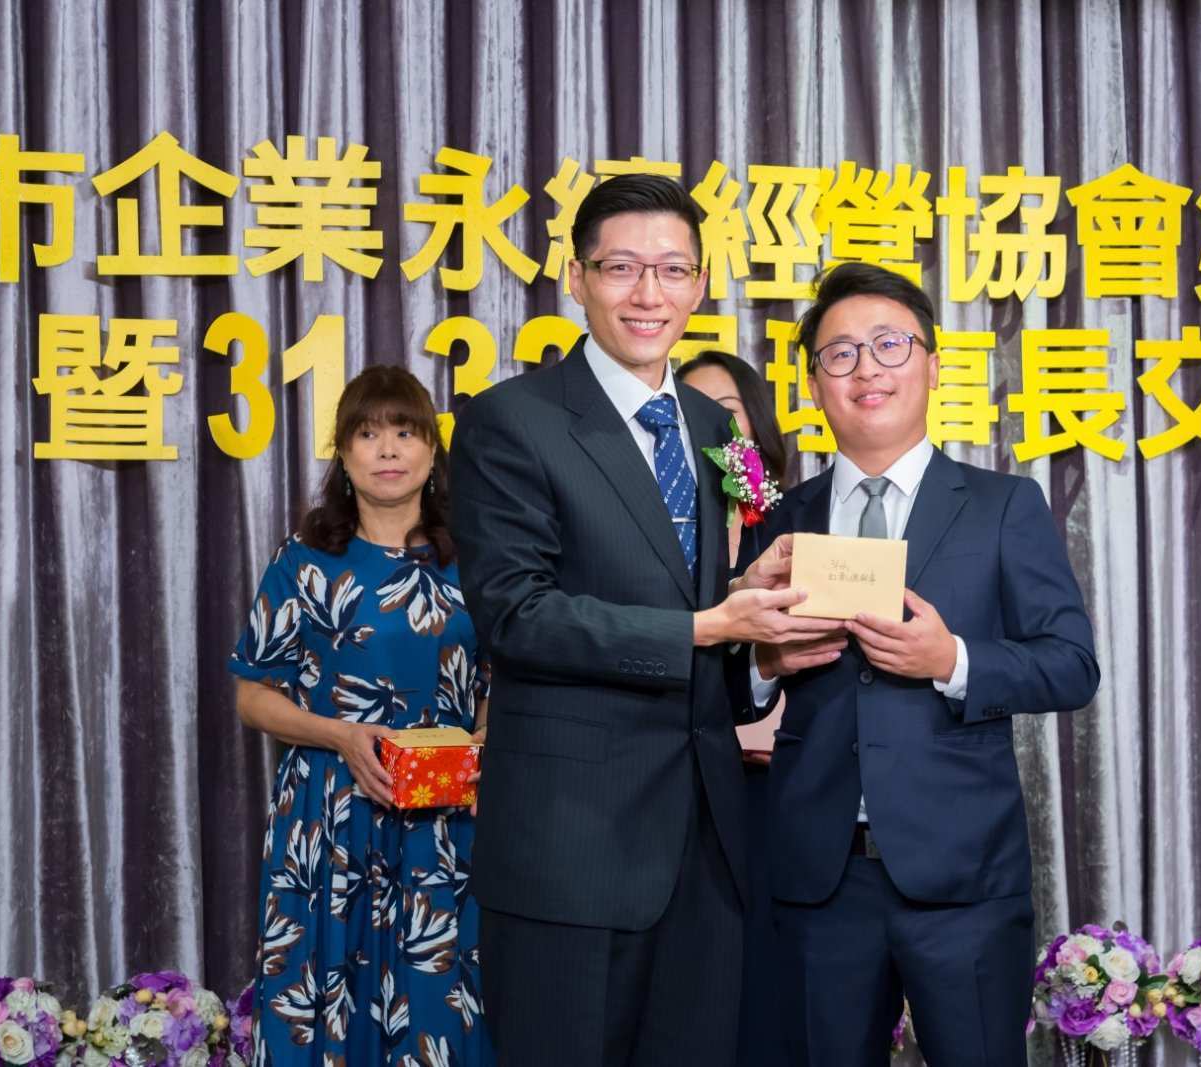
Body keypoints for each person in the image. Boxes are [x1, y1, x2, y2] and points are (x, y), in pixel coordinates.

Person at [448, 174, 839, 1067]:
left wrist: (759, 637)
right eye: (621, 267)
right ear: (576, 278)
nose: (648, 292)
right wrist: (705, 626)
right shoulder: (513, 421)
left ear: (700, 284)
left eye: (672, 269)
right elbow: (516, 614)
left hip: (705, 844)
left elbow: (704, 611)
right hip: (572, 847)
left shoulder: (708, 424)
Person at [747, 263, 1101, 1067]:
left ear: (933, 366)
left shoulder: (1004, 505)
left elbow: (1071, 664)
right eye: (840, 354)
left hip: (964, 878)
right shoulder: (783, 520)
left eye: (889, 345)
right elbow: (732, 685)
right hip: (819, 881)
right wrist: (766, 658)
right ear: (814, 384)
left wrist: (954, 659)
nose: (866, 369)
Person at [229, 366, 495, 1066]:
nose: (388, 449)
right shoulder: (305, 561)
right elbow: (253, 693)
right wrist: (342, 735)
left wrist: (487, 735)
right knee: (324, 1000)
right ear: (344, 454)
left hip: (445, 819)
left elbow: (504, 674)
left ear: (432, 451)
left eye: (405, 432)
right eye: (369, 434)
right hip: (329, 816)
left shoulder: (474, 560)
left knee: (439, 1001)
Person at [676, 350, 793, 1067]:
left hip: (770, 790)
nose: (709, 426)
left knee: (761, 985)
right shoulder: (653, 525)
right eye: (690, 410)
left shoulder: (793, 522)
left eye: (725, 411)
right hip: (673, 787)